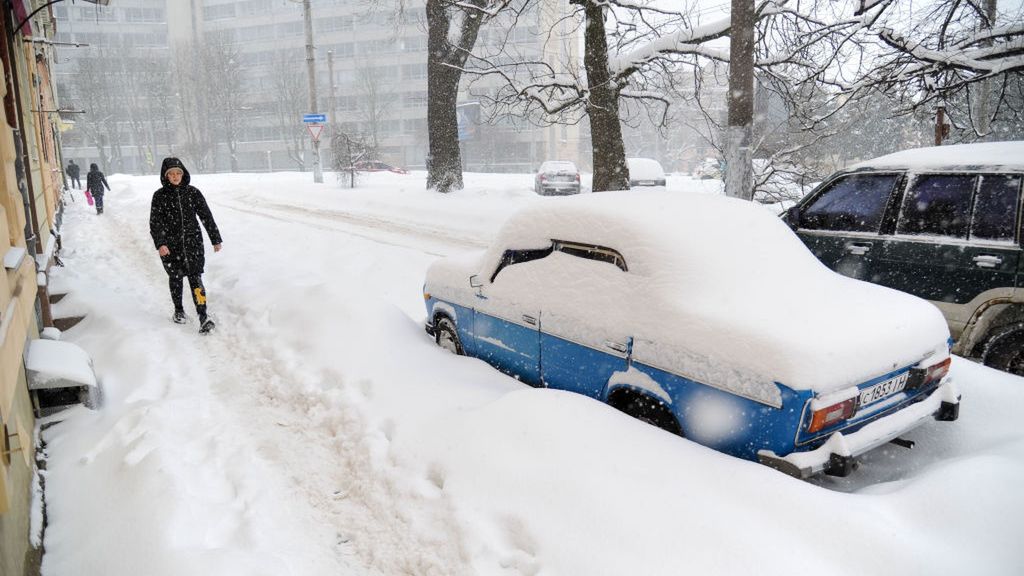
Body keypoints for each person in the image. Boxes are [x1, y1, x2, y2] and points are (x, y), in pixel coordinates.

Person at [149, 157, 222, 334]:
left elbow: (206, 215)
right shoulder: (159, 196)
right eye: (171, 174)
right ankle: (179, 310)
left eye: (178, 173)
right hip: (170, 246)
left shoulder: (193, 193)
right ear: (166, 176)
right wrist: (161, 244)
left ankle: (203, 316)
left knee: (196, 278)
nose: (175, 176)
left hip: (193, 243)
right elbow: (155, 223)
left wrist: (215, 238)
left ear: (183, 174)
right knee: (176, 278)